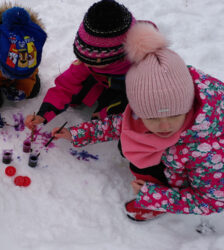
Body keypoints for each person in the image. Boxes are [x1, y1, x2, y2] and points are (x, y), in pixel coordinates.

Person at [52, 22, 224, 221]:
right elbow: (123, 123)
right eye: (152, 118)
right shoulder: (154, 102)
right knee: (136, 142)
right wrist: (79, 133)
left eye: (175, 116)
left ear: (188, 106)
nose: (165, 126)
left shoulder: (208, 150)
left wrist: (156, 196)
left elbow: (213, 201)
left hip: (205, 173)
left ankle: (160, 198)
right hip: (181, 154)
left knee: (146, 153)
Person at [25, 0, 154, 130]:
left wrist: (107, 111)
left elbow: (140, 105)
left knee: (111, 118)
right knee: (74, 95)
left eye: (91, 61)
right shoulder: (89, 62)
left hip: (128, 93)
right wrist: (44, 113)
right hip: (104, 81)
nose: (84, 63)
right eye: (82, 57)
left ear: (116, 57)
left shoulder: (145, 68)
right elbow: (66, 85)